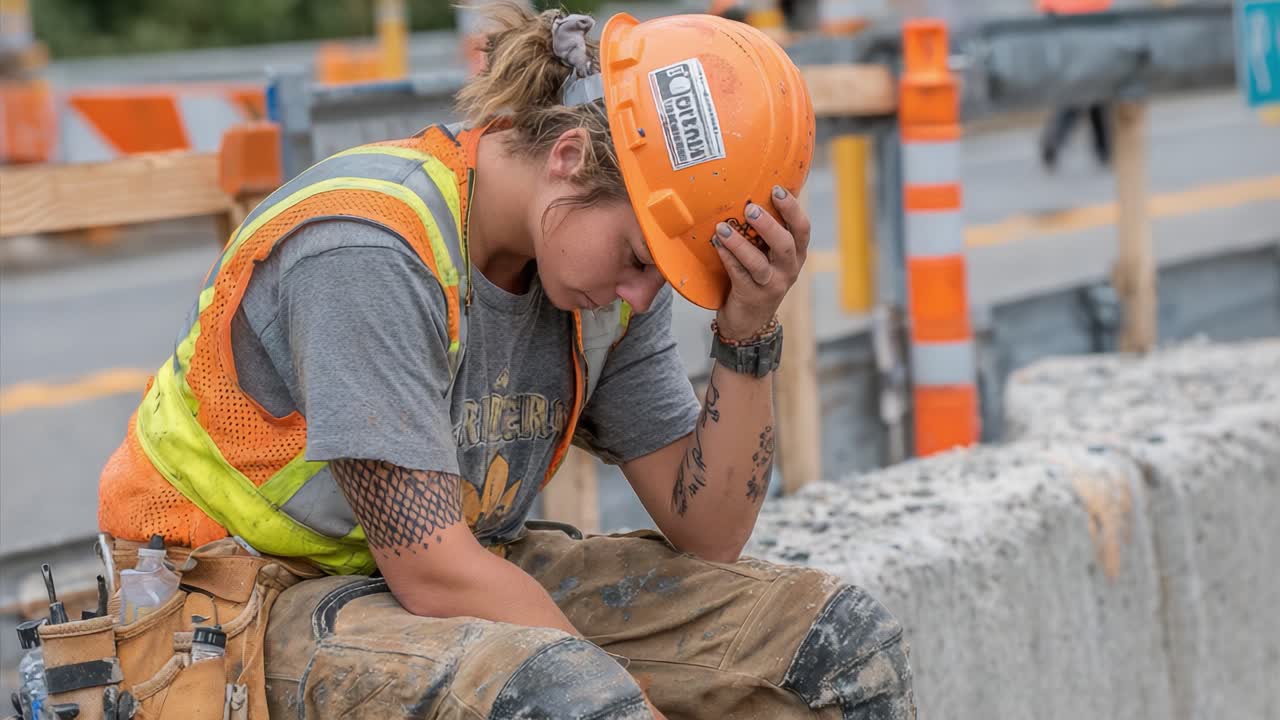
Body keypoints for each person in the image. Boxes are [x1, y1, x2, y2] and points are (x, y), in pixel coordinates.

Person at [97, 4, 915, 718]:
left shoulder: (601, 286)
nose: (639, 294)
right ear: (566, 158)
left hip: (439, 576)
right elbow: (433, 574)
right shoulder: (369, 248)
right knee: (569, 699)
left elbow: (708, 530)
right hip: (239, 600)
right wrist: (626, 700)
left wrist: (748, 329)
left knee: (839, 649)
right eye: (636, 256)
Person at [1037, 0, 1113, 171]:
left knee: (1087, 88)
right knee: (1089, 87)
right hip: (1089, 20)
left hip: (1061, 19)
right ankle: (1102, 149)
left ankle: (1103, 149)